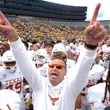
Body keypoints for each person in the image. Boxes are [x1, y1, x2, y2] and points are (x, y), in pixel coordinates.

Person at [0, 3, 107, 110]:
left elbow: (82, 69)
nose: (54, 68)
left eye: (59, 67)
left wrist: (90, 46)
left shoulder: (71, 87)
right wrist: (13, 37)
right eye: (51, 66)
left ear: (66, 72)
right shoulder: (39, 85)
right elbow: (24, 62)